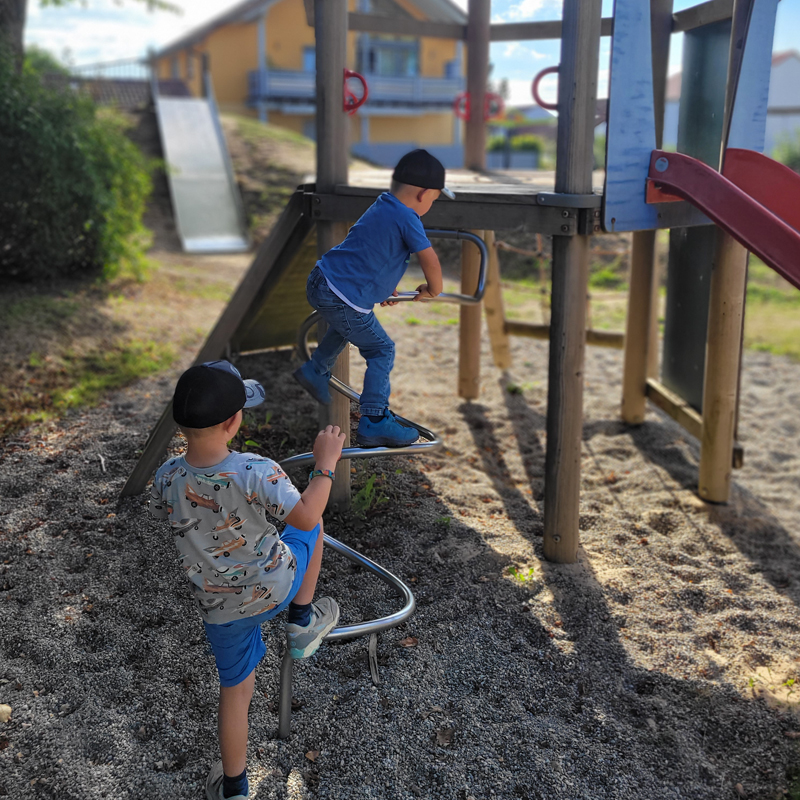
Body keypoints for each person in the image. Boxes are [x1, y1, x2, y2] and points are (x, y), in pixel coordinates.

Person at [148, 359, 345, 800]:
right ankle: (301, 620)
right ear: (235, 421)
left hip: (220, 610)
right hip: (276, 586)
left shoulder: (166, 478)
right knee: (310, 531)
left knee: (234, 693)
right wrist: (324, 464)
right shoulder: (257, 469)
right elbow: (309, 514)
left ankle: (235, 789)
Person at [293, 148, 454, 448]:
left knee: (346, 326)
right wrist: (433, 289)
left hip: (321, 280)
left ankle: (315, 370)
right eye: (435, 197)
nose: (433, 203)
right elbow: (429, 258)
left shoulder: (382, 205)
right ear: (423, 194)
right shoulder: (409, 218)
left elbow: (370, 249)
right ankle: (375, 420)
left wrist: (381, 287)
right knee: (382, 349)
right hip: (341, 294)